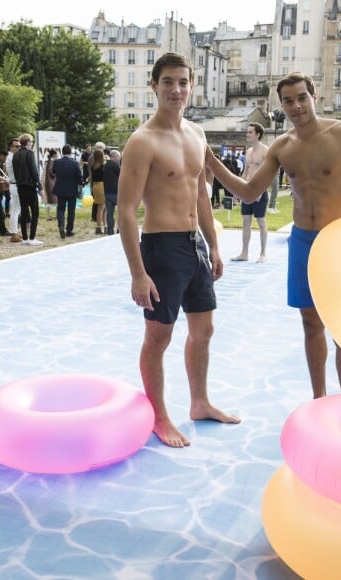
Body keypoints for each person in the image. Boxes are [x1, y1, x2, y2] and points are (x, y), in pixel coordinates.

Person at [206, 71, 341, 399]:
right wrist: (212, 163)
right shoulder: (282, 146)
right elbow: (249, 192)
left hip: (337, 241)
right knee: (311, 323)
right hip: (303, 241)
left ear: (313, 97)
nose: (296, 106)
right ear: (282, 106)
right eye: (288, 101)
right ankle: (319, 399)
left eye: (302, 97)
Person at [118, 52, 240, 448]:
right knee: (159, 337)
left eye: (183, 82)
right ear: (153, 85)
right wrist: (138, 272)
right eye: (168, 81)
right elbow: (125, 210)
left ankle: (200, 402)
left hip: (195, 245)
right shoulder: (142, 141)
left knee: (203, 329)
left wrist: (214, 246)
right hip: (162, 247)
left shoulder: (197, 134)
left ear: (192, 85)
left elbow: (202, 196)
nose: (176, 89)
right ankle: (158, 416)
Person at [231, 122, 269, 263]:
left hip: (259, 190)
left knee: (261, 221)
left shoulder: (265, 151)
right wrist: (237, 190)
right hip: (247, 189)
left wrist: (260, 191)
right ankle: (244, 253)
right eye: (247, 132)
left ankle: (263, 253)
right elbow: (245, 172)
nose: (247, 134)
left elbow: (269, 174)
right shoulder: (248, 152)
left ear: (258, 134)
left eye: (250, 132)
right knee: (246, 221)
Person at [12, 134, 43, 246]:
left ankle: (25, 238)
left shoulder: (15, 155)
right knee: (35, 212)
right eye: (32, 141)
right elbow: (34, 171)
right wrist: (39, 186)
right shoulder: (29, 154)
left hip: (20, 186)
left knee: (24, 212)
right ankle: (32, 237)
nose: (32, 143)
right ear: (28, 142)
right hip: (29, 186)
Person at [52, 144, 82, 238]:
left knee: (60, 209)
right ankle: (69, 230)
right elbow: (79, 178)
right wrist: (80, 191)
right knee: (71, 211)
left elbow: (53, 172)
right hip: (72, 190)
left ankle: (61, 225)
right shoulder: (75, 163)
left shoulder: (56, 162)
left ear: (62, 152)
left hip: (60, 189)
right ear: (70, 152)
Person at [5, 138, 23, 243]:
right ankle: (14, 233)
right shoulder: (12, 158)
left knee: (16, 210)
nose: (19, 148)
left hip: (13, 184)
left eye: (19, 146)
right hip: (15, 185)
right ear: (11, 147)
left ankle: (15, 232)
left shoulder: (11, 157)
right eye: (17, 146)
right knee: (16, 210)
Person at [103, 149, 121, 235]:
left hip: (107, 191)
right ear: (115, 156)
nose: (119, 159)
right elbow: (121, 175)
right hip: (116, 192)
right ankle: (119, 229)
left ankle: (110, 231)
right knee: (120, 212)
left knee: (109, 213)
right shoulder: (115, 165)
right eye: (118, 157)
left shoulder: (105, 165)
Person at [90, 148, 106, 234]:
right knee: (102, 208)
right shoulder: (102, 166)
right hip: (101, 186)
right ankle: (99, 226)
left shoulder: (93, 166)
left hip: (95, 186)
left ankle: (101, 226)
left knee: (101, 208)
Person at [41, 149, 58, 221]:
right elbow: (52, 173)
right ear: (54, 155)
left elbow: (43, 174)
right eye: (56, 155)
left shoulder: (47, 163)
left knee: (47, 199)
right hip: (52, 183)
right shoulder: (53, 162)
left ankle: (48, 215)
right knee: (56, 198)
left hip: (46, 182)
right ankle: (57, 215)